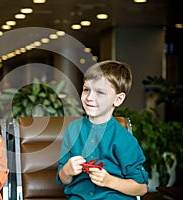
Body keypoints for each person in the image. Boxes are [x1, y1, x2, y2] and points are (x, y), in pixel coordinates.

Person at [56, 60, 148, 199]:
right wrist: (67, 170)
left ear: (118, 99)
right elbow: (63, 179)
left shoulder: (124, 139)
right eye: (86, 90)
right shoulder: (73, 130)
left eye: (100, 92)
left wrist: (110, 181)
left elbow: (141, 188)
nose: (90, 98)